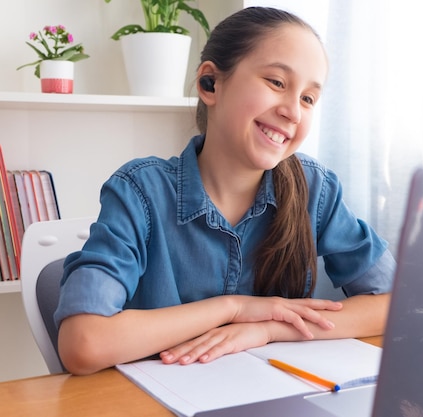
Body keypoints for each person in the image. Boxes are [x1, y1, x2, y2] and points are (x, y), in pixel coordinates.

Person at [54, 6, 396, 376]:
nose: (294, 112)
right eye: (277, 83)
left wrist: (265, 329)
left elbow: (395, 304)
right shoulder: (140, 191)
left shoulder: (316, 189)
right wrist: (233, 309)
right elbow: (83, 343)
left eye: (308, 99)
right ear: (210, 84)